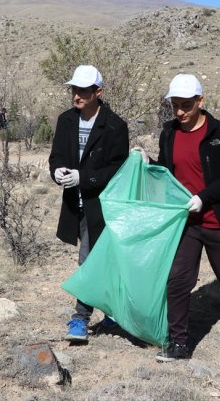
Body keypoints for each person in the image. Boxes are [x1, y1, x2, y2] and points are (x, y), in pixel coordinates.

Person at [145, 73, 220, 362]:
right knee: (178, 280)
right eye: (175, 106)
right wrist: (148, 164)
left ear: (200, 100)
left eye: (186, 105)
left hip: (217, 221)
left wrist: (203, 198)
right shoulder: (169, 133)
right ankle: (179, 344)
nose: (180, 112)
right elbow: (169, 171)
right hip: (186, 222)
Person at [48, 65, 129, 342]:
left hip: (102, 206)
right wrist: (58, 172)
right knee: (100, 260)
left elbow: (116, 171)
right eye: (74, 89)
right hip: (75, 204)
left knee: (89, 260)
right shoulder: (66, 121)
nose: (76, 96)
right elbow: (56, 156)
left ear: (98, 92)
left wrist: (84, 177)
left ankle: (80, 319)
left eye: (83, 90)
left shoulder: (116, 126)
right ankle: (112, 313)